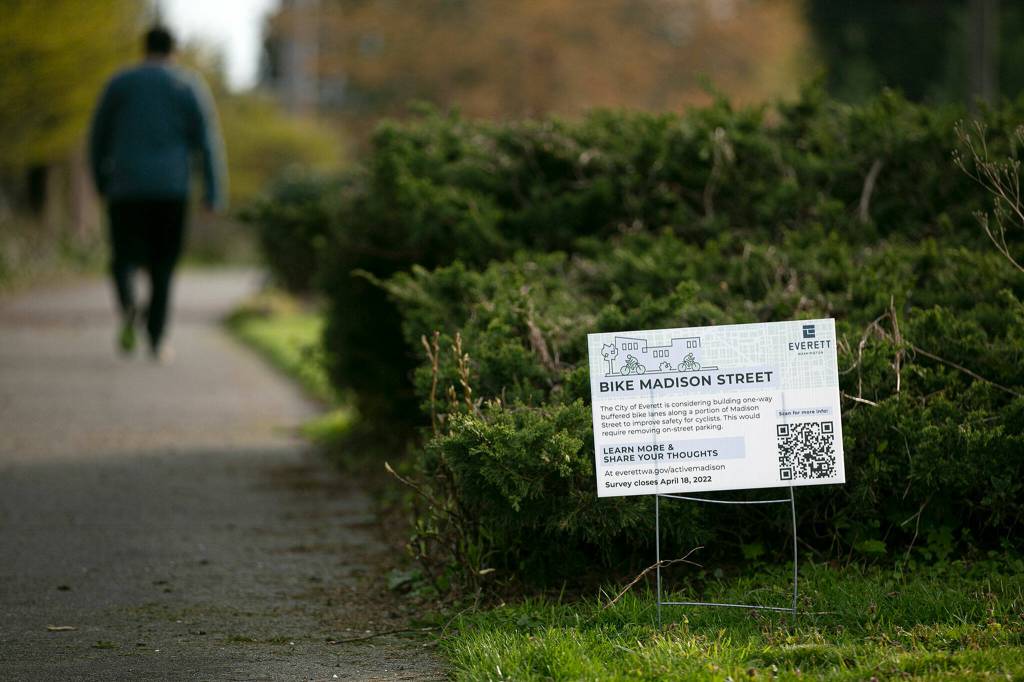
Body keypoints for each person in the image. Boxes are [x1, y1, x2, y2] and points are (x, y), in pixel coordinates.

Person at [89, 25, 226, 362]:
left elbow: (97, 136)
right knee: (163, 265)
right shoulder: (187, 85)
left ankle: (129, 306)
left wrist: (100, 181)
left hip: (125, 187)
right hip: (171, 189)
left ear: (144, 48)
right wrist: (212, 191)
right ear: (173, 50)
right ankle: (156, 337)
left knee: (123, 257)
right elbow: (207, 142)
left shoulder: (120, 83)